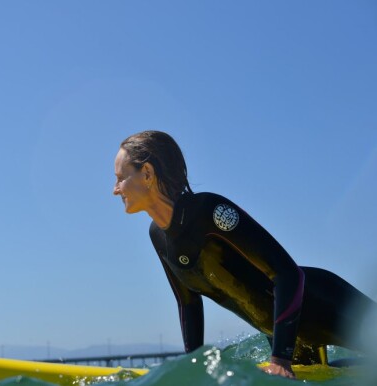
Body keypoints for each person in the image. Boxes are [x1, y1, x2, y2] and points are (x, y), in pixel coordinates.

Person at [112, 130, 375, 379]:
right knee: (335, 376)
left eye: (120, 177)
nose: (116, 189)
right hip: (284, 334)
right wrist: (191, 372)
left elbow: (287, 273)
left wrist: (280, 360)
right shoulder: (157, 236)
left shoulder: (208, 212)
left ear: (147, 173)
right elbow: (188, 304)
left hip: (323, 304)